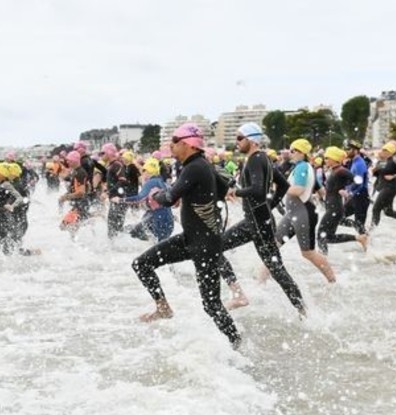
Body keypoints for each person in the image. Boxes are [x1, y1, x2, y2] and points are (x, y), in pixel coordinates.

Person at [130, 123, 242, 347]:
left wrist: (156, 194)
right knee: (141, 264)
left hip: (205, 245)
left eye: (175, 141)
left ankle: (236, 342)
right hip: (192, 239)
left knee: (211, 305)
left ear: (188, 144)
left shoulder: (194, 167)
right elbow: (221, 190)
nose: (171, 145)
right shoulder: (203, 166)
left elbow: (168, 198)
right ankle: (163, 308)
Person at [221, 123, 307, 316]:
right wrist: (269, 206)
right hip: (259, 220)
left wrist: (235, 192)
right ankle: (302, 310)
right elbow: (283, 186)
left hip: (258, 223)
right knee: (275, 268)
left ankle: (303, 311)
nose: (237, 142)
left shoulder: (255, 160)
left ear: (251, 140)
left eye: (240, 138)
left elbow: (258, 190)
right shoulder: (264, 159)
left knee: (276, 269)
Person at [277, 138, 336, 283]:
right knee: (273, 246)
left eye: (293, 151)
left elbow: (298, 189)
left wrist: (279, 188)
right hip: (294, 214)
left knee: (308, 252)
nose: (290, 153)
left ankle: (333, 281)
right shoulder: (304, 167)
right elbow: (321, 190)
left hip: (303, 214)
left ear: (301, 153)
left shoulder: (302, 167)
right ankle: (260, 281)